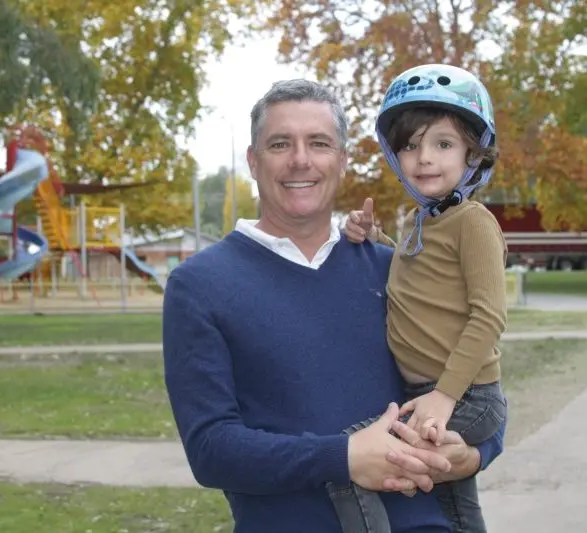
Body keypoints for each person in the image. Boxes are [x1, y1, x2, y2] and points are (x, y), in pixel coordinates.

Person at [161, 77, 505, 533]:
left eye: (319, 143)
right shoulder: (199, 285)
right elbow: (211, 450)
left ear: (342, 160)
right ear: (252, 161)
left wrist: (476, 455)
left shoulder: (393, 267)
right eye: (280, 143)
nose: (300, 159)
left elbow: (478, 387)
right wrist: (342, 457)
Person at [333, 64, 508, 533]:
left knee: (351, 461)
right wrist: (375, 237)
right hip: (430, 392)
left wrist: (446, 398)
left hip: (466, 394)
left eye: (443, 144)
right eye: (410, 145)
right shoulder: (417, 222)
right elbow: (417, 269)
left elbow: (489, 317)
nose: (424, 158)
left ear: (474, 153)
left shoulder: (473, 222)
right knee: (454, 504)